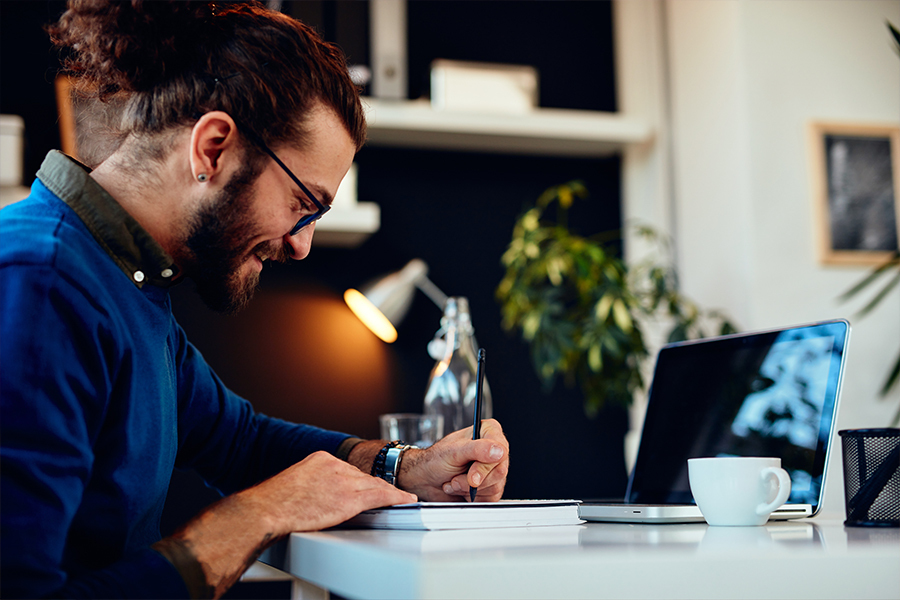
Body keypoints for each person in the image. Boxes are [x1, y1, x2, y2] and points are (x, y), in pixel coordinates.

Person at [0, 2, 510, 598]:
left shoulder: (127, 282)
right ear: (213, 148)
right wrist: (254, 516)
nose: (302, 245)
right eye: (303, 205)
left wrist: (405, 466)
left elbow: (239, 440)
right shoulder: (42, 284)